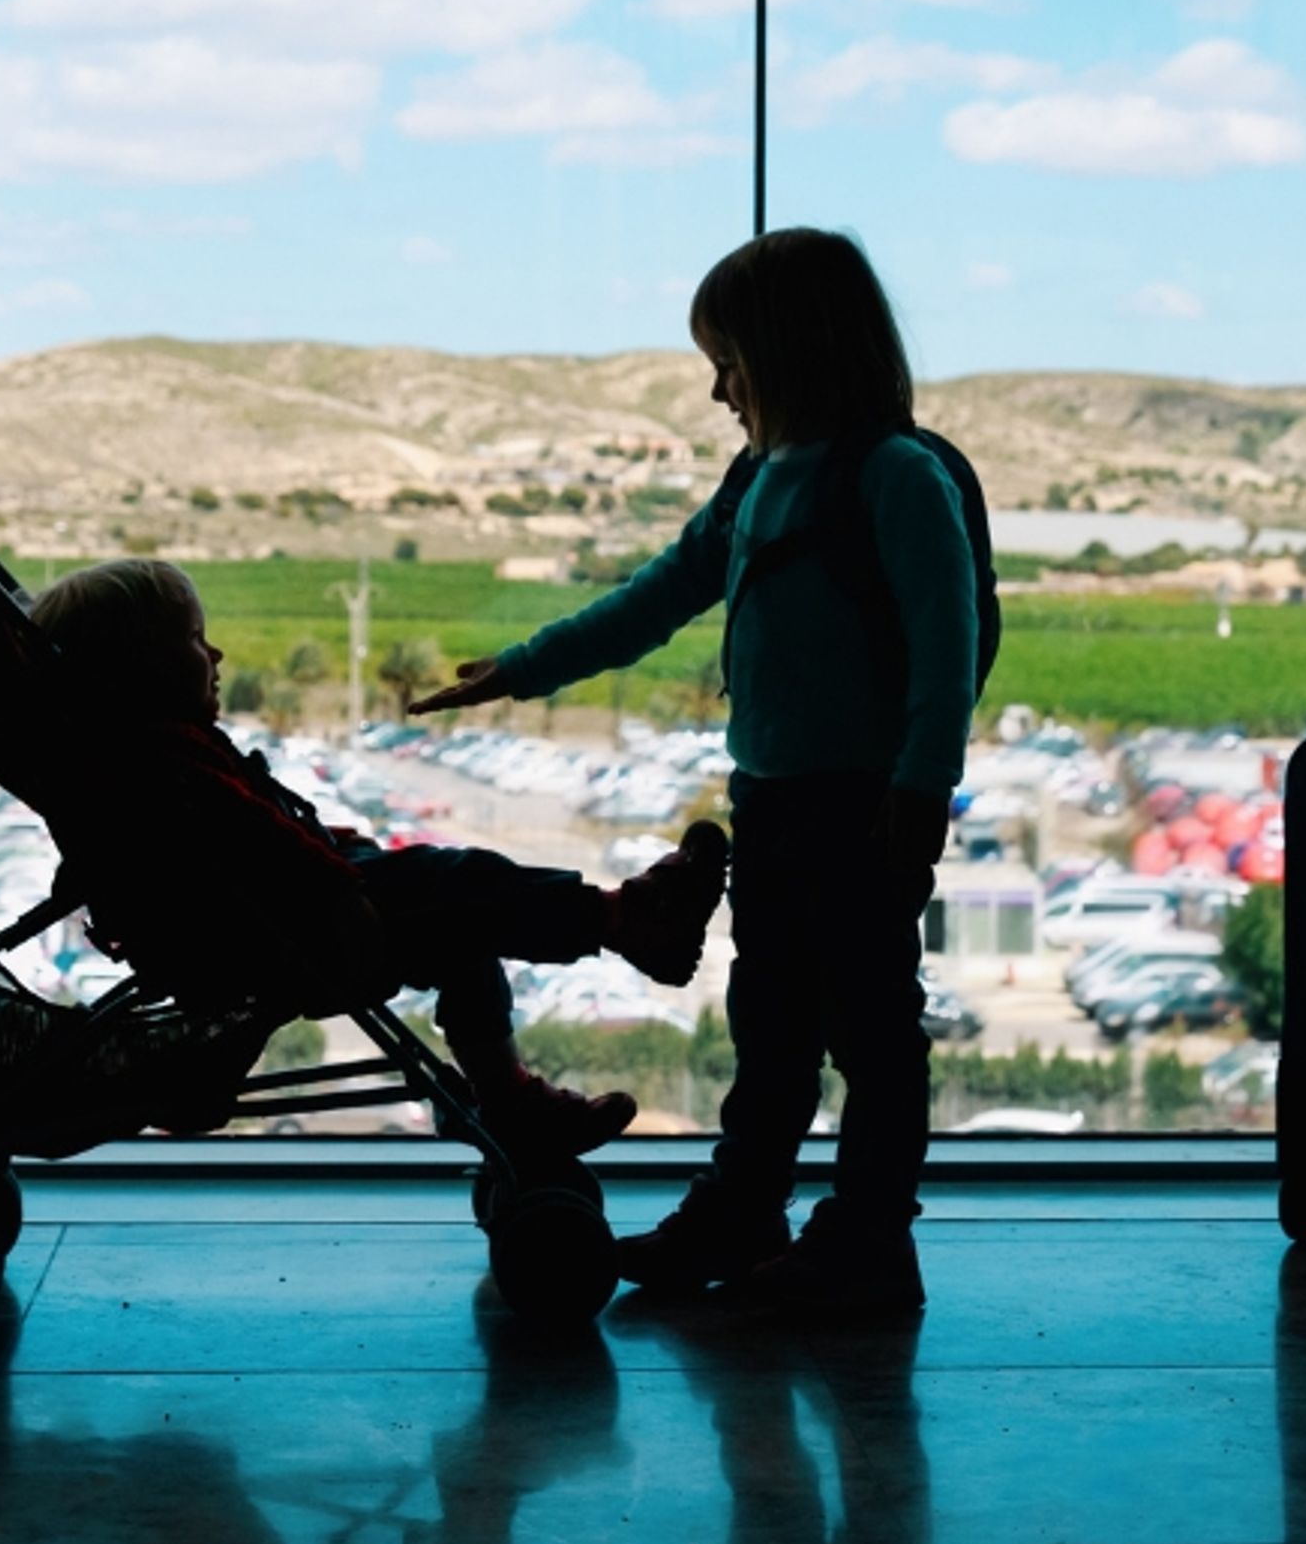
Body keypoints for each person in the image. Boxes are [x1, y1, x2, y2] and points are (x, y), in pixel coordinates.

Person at [415, 229, 979, 1314]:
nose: (719, 388)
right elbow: (659, 594)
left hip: (864, 813)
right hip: (770, 805)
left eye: (730, 360)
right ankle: (744, 1213)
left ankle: (866, 1241)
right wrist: (518, 671)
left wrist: (921, 788)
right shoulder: (758, 481)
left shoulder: (895, 478)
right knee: (769, 1026)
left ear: (790, 349)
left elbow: (944, 650)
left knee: (870, 1033)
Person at [14, 558, 729, 1161]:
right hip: (312, 930)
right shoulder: (169, 765)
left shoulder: (133, 757)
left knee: (464, 923)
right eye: (197, 641)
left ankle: (506, 1095)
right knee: (466, 886)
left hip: (288, 921)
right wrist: (343, 872)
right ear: (138, 671)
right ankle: (621, 923)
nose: (219, 656)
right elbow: (267, 847)